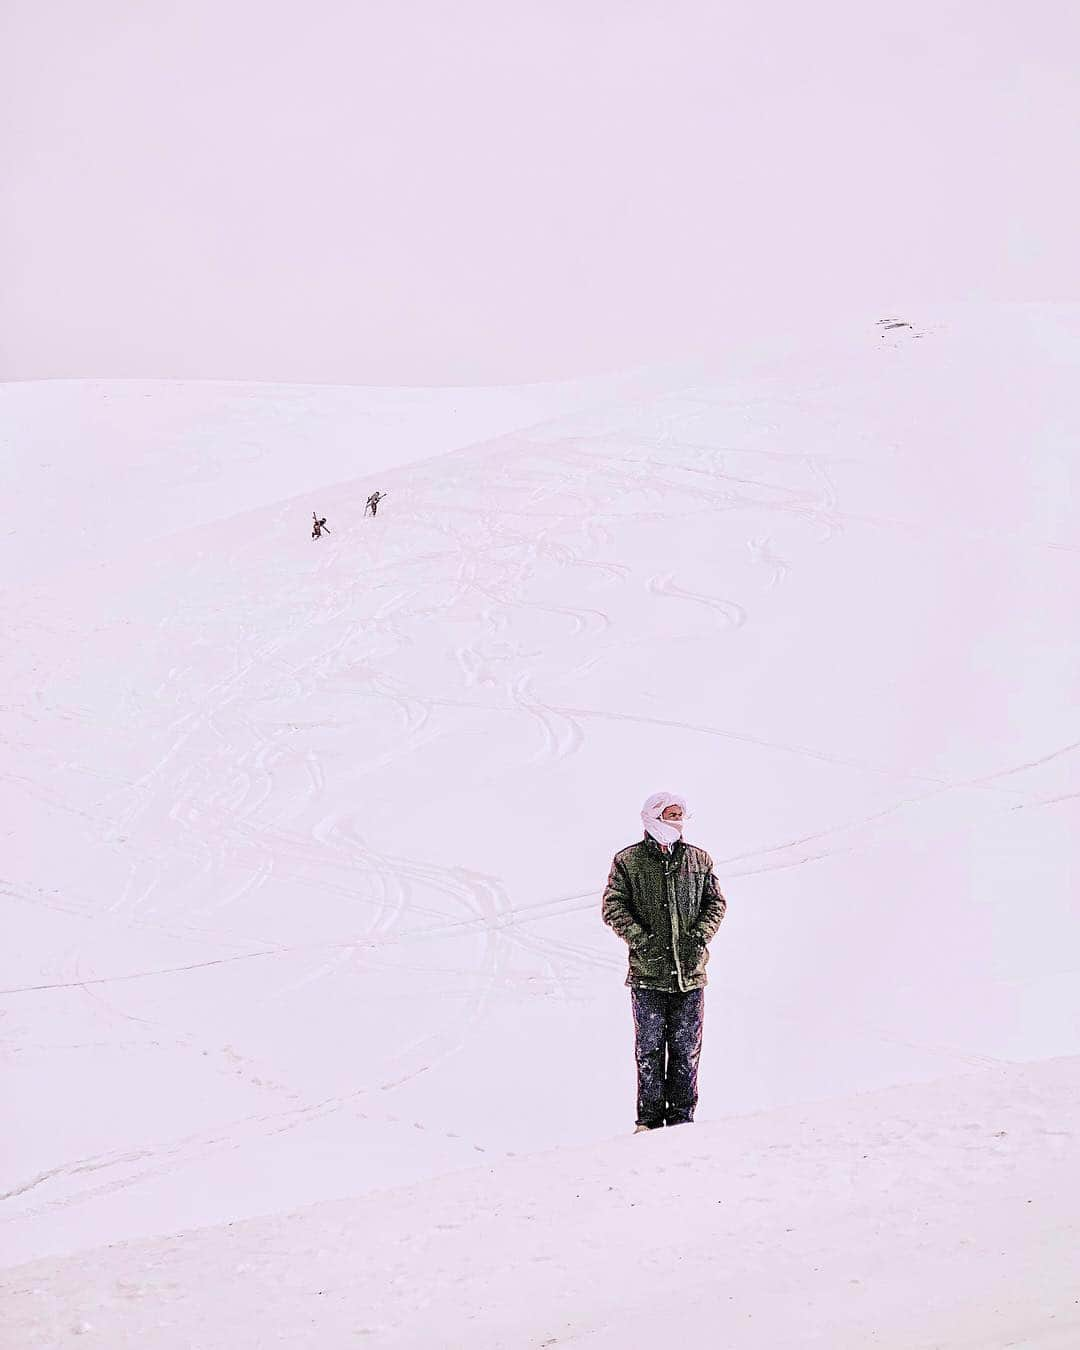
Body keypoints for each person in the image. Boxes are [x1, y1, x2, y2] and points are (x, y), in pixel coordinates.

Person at [602, 792, 727, 1133]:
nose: (676, 821)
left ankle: (683, 1122)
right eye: (669, 814)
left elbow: (715, 903)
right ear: (652, 816)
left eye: (680, 815)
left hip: (690, 975)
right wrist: (643, 941)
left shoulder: (699, 860)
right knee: (650, 1052)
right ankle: (649, 1122)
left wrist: (699, 936)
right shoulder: (627, 861)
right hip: (648, 976)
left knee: (686, 1052)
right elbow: (613, 907)